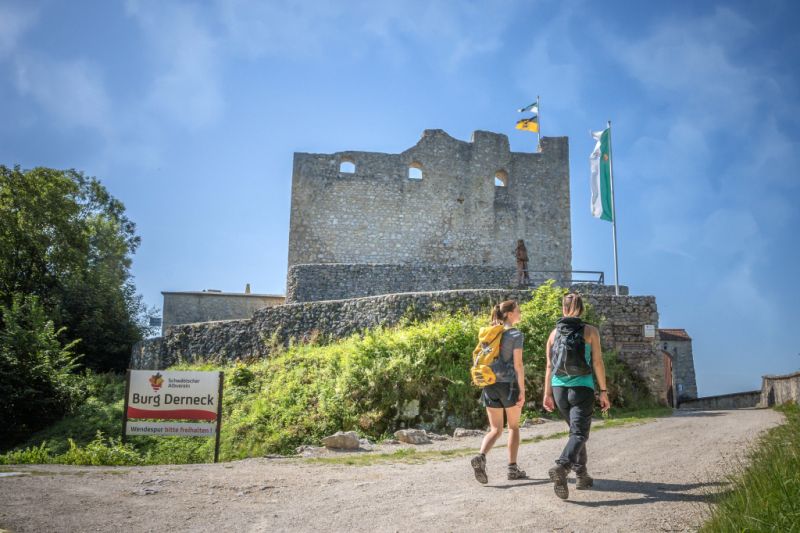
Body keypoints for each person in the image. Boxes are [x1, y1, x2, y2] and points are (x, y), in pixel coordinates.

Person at [542, 293, 611, 500]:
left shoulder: (553, 334)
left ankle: (582, 475)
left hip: (558, 389)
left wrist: (547, 393)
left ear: (563, 309)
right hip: (582, 388)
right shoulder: (590, 331)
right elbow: (598, 362)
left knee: (575, 433)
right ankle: (563, 467)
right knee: (579, 433)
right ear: (581, 309)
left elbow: (549, 366)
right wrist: (604, 391)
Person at [470, 300, 527, 484]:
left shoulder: (492, 332)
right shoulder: (515, 334)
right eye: (518, 310)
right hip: (508, 384)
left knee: (495, 429)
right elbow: (518, 364)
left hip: (489, 383)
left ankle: (481, 456)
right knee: (513, 427)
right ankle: (512, 469)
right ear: (509, 314)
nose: (520, 313)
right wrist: (522, 390)